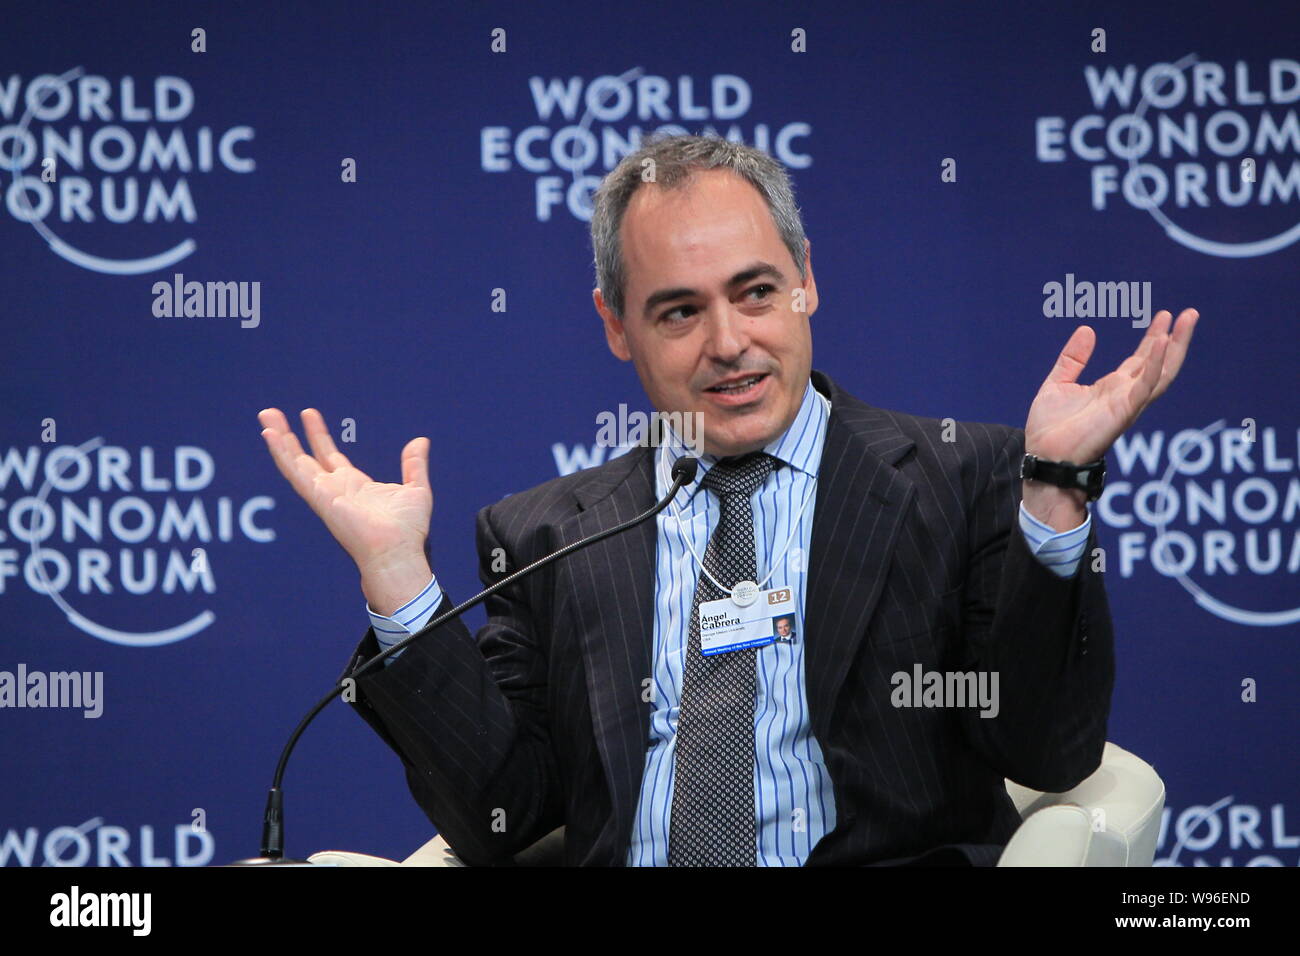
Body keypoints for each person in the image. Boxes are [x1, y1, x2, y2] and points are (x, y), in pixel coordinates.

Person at [257, 134, 1198, 866]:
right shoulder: (544, 533)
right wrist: (397, 580)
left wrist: (1057, 489)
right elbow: (500, 820)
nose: (730, 342)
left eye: (756, 293)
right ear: (615, 326)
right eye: (678, 311)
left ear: (807, 283)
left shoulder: (961, 478)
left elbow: (1049, 752)